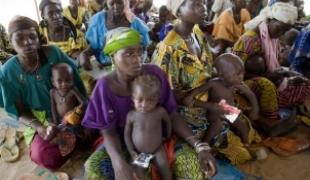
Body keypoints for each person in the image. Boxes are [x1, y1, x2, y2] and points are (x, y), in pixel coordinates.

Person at [82, 27, 216, 179]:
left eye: (140, 51)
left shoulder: (154, 74)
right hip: (122, 144)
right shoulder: (104, 87)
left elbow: (171, 114)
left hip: (157, 140)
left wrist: (199, 146)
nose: (138, 59)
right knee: (93, 170)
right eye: (129, 53)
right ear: (112, 55)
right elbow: (108, 131)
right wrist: (118, 163)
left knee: (195, 168)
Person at [153, 0, 259, 165]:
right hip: (189, 112)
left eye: (202, 3)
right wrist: (210, 106)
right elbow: (169, 97)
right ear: (179, 12)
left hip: (213, 99)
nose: (203, 8)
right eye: (195, 4)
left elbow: (208, 64)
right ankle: (209, 146)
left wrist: (228, 73)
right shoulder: (167, 49)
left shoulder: (196, 32)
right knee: (236, 149)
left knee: (243, 124)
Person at [0, 16, 86, 170]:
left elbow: (76, 81)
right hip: (40, 118)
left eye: (32, 36)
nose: (27, 42)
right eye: (20, 38)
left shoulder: (54, 54)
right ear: (10, 42)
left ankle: (77, 136)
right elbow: (19, 110)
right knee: (43, 156)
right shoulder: (8, 72)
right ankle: (74, 139)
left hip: (69, 107)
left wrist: (84, 110)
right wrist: (40, 128)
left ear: (38, 38)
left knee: (99, 123)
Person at [232, 2, 310, 135]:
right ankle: (269, 120)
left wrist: (287, 73)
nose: (281, 34)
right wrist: (272, 76)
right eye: (279, 28)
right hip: (241, 84)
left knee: (304, 82)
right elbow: (233, 73)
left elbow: (275, 66)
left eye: (285, 31)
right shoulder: (249, 40)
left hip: (267, 77)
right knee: (265, 83)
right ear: (270, 20)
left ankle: (282, 107)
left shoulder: (272, 38)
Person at [183, 53, 260, 145]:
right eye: (237, 74)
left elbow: (250, 94)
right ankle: (204, 144)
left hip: (228, 109)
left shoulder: (238, 84)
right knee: (216, 126)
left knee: (242, 125)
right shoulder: (213, 83)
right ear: (222, 75)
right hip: (215, 111)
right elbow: (199, 90)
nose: (241, 77)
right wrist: (190, 96)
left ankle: (246, 143)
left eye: (243, 73)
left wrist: (255, 109)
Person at [124, 74, 172, 180]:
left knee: (165, 169)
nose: (144, 104)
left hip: (157, 149)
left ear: (157, 99)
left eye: (150, 100)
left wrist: (167, 136)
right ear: (133, 98)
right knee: (136, 174)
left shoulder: (160, 112)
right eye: (140, 100)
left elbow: (168, 122)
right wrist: (131, 151)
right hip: (139, 152)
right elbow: (127, 134)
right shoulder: (131, 115)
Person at [79, 0, 150, 69]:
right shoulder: (98, 20)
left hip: (129, 69)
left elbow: (143, 50)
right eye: (112, 3)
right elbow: (94, 47)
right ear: (107, 2)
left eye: (119, 2)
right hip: (103, 67)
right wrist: (84, 54)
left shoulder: (136, 24)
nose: (115, 6)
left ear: (126, 2)